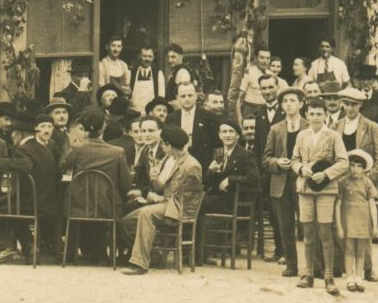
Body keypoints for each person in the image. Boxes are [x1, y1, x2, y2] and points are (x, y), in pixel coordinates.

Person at [118, 125, 203, 274]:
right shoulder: (171, 159)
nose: (162, 147)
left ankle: (140, 264)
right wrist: (155, 178)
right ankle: (153, 255)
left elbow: (186, 197)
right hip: (167, 203)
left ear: (169, 145)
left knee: (146, 214)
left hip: (178, 209)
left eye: (164, 144)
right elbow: (161, 187)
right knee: (127, 221)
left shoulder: (191, 165)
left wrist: (156, 198)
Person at [0, 105, 62, 265]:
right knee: (11, 208)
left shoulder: (24, 149)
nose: (12, 136)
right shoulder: (44, 149)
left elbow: (25, 165)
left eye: (13, 133)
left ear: (20, 134)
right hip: (48, 201)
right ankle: (29, 248)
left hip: (34, 202)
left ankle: (3, 248)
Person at [60, 109, 134, 264]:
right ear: (103, 127)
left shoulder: (78, 150)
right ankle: (102, 253)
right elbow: (126, 185)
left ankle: (72, 254)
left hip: (78, 205)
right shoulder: (117, 152)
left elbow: (62, 167)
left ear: (85, 128)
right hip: (107, 206)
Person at [292, 95, 347, 295]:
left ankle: (329, 276)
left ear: (325, 115)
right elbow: (294, 159)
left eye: (319, 113)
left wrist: (326, 173)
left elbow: (343, 162)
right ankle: (307, 274)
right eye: (312, 113)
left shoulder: (333, 136)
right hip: (305, 189)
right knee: (307, 232)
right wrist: (301, 169)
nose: (315, 117)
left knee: (325, 232)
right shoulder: (301, 136)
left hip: (326, 189)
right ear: (306, 114)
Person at [334, 86, 378, 282]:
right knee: (343, 226)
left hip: (363, 182)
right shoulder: (335, 127)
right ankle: (345, 268)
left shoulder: (371, 127)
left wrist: (367, 178)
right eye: (346, 104)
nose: (350, 108)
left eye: (354, 104)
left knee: (363, 227)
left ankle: (367, 268)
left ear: (361, 105)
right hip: (342, 183)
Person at [259, 88, 307, 278]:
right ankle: (291, 265)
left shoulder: (309, 125)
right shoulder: (276, 128)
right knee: (285, 227)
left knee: (308, 226)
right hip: (281, 183)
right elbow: (265, 158)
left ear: (301, 104)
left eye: (292, 100)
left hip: (303, 181)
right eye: (285, 101)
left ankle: (316, 266)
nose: (288, 104)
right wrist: (277, 162)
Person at [337, 148, 378, 292]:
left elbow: (372, 205)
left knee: (361, 250)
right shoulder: (343, 182)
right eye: (353, 165)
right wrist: (339, 226)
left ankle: (359, 278)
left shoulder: (367, 183)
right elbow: (338, 204)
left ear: (364, 168)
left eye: (359, 166)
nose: (355, 169)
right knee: (349, 249)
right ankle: (349, 278)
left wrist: (375, 225)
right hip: (348, 219)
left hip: (363, 220)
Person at [201, 117, 258, 217]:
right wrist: (211, 171)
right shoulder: (218, 153)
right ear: (219, 135)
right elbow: (206, 183)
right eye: (224, 132)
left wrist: (230, 180)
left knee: (197, 202)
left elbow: (254, 178)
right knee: (195, 200)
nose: (227, 135)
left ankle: (193, 232)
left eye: (231, 131)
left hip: (236, 202)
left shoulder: (245, 154)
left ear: (237, 136)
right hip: (219, 199)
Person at [166, 81, 219, 171]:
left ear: (196, 96)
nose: (187, 99)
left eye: (190, 95)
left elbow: (216, 145)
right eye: (183, 96)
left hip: (203, 165)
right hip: (177, 165)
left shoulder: (209, 117)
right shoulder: (171, 118)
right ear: (177, 97)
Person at [128, 45, 163, 113]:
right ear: (139, 56)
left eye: (150, 56)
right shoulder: (131, 72)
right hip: (134, 112)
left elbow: (161, 96)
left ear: (153, 57)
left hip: (151, 111)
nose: (147, 59)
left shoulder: (158, 73)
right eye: (144, 56)